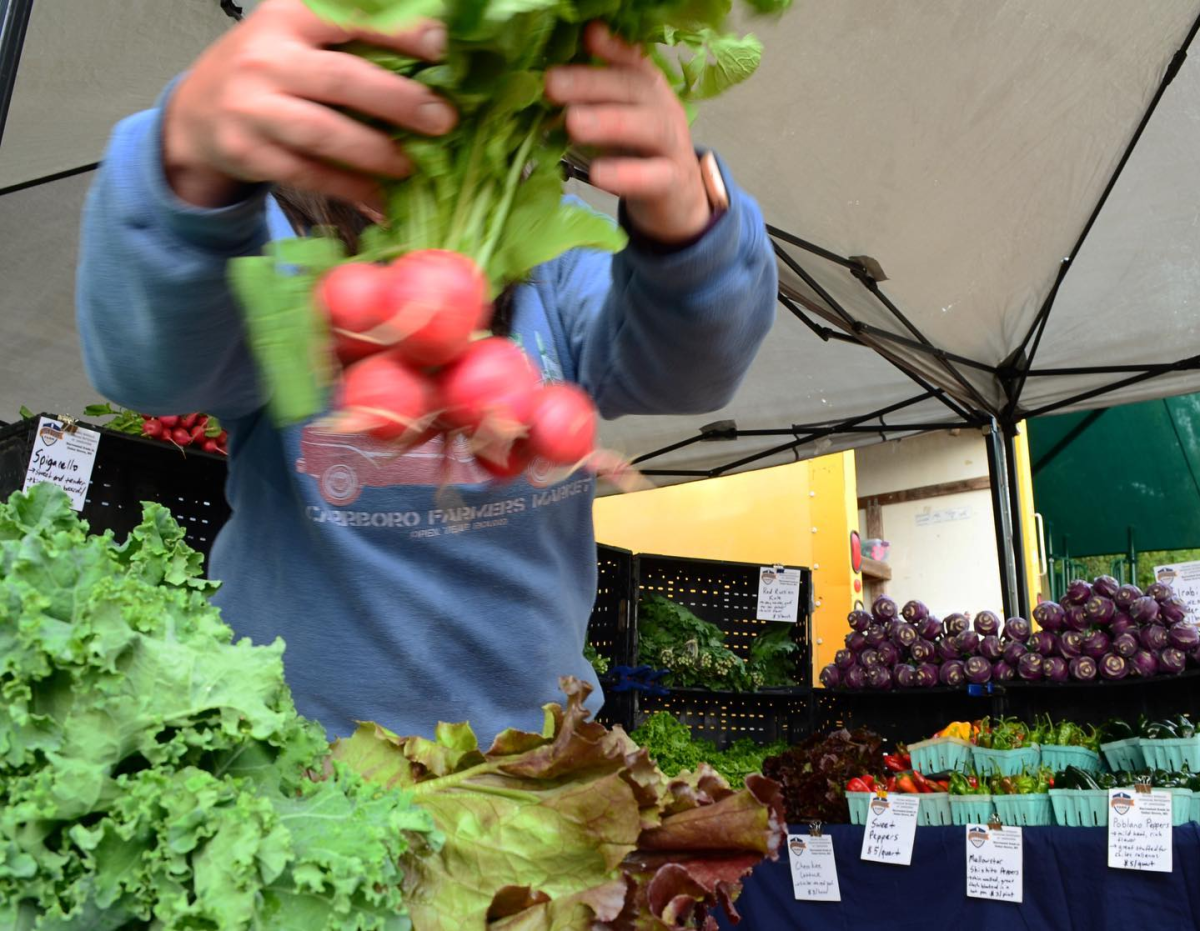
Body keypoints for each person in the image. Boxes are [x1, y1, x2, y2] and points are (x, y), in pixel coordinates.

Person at [76, 0, 777, 744]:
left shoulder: (556, 256)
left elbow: (686, 373)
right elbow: (151, 368)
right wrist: (186, 165)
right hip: (300, 747)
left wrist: (688, 228)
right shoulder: (268, 244)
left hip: (529, 748)